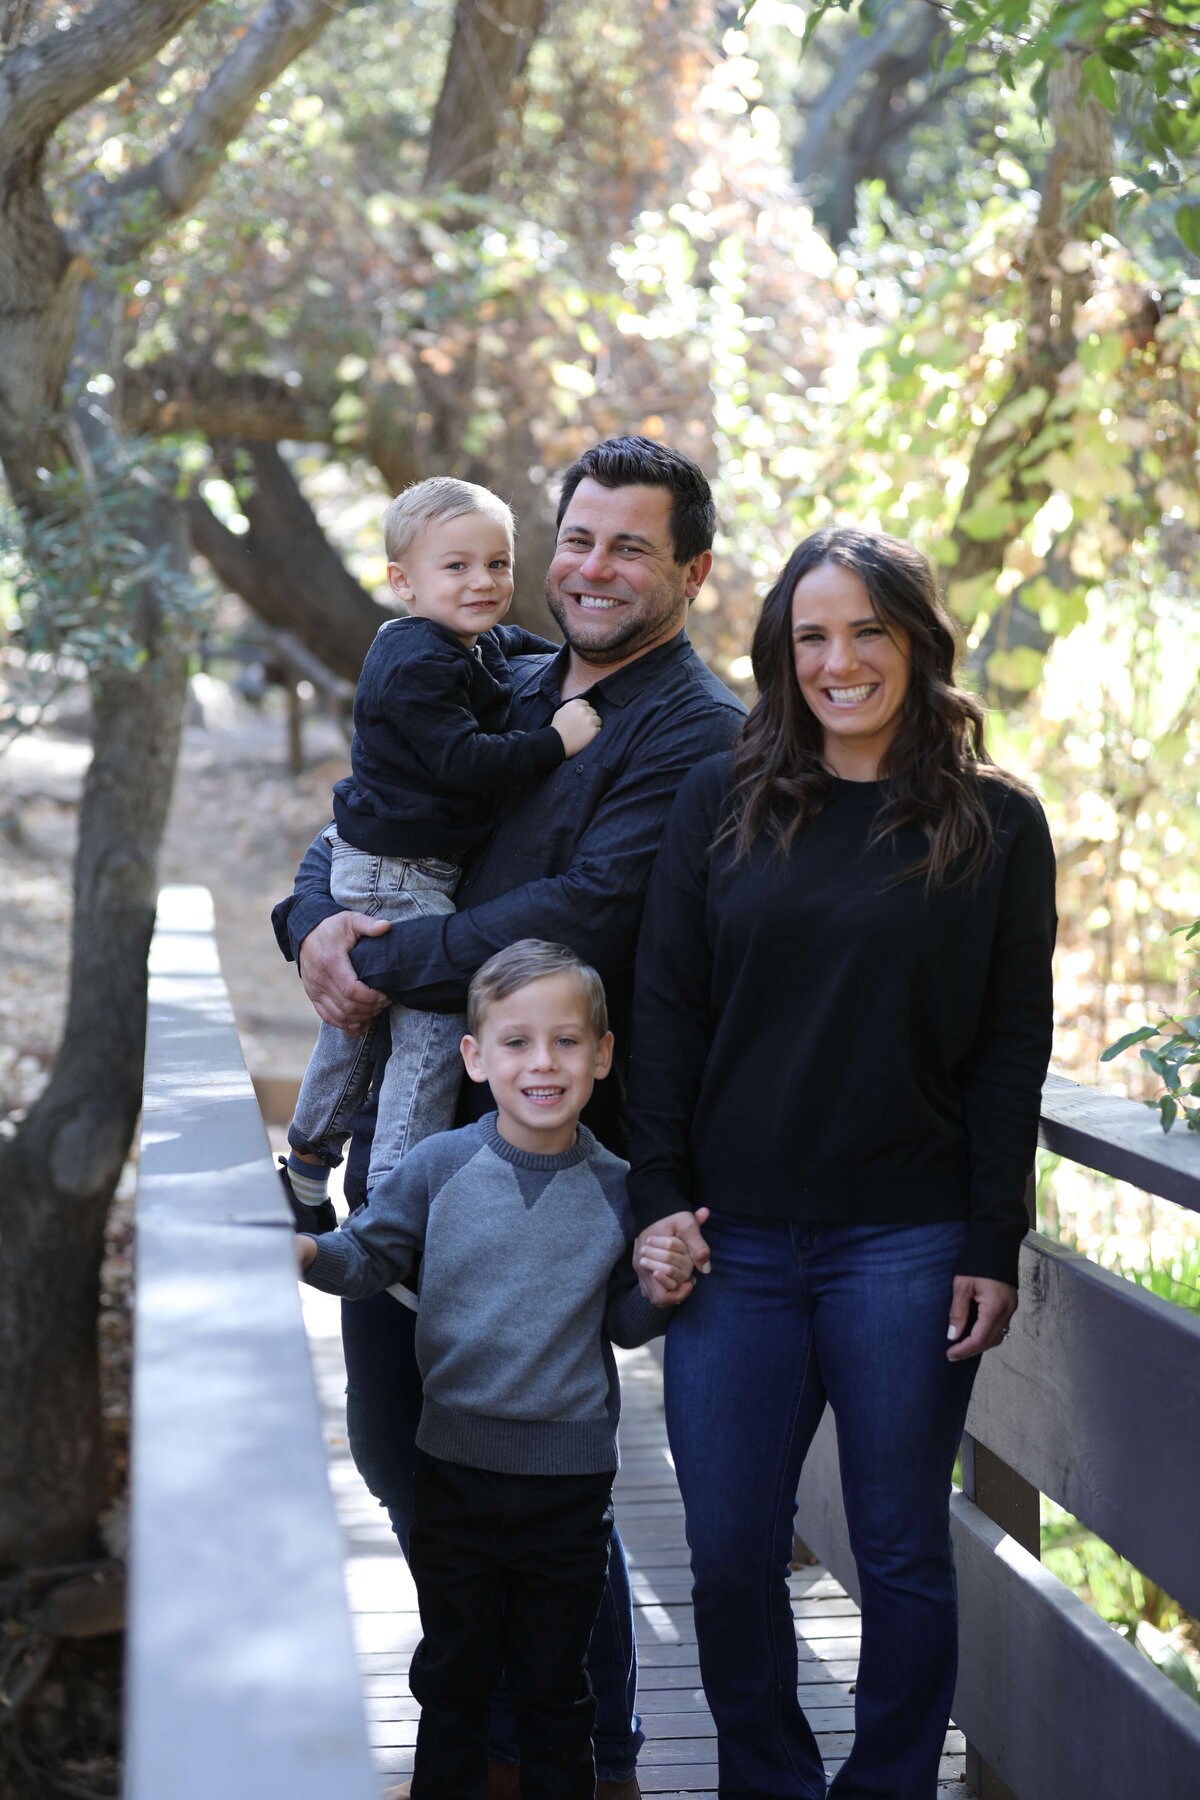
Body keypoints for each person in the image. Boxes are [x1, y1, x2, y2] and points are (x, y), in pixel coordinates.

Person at [272, 436, 746, 1799]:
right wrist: (315, 925)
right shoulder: (503, 668)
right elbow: (362, 818)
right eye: (579, 538)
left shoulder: (691, 735)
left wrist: (375, 961)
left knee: (526, 1476)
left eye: (631, 546)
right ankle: (485, 1727)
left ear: (693, 572)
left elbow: (585, 913)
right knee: (397, 1440)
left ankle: (584, 1753)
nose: (592, 567)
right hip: (417, 1150)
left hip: (544, 1159)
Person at [626, 527, 1057, 1800]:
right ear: (780, 653)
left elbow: (1007, 1052)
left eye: (869, 630)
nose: (840, 660)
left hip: (908, 1244)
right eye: (813, 635)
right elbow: (665, 1010)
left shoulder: (996, 824)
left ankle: (887, 1788)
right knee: (729, 1553)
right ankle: (768, 1781)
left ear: (919, 644)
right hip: (733, 1241)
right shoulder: (724, 799)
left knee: (903, 1550)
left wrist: (993, 1239)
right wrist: (657, 1200)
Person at [297, 941, 695, 1800]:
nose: (541, 1063)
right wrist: (304, 1251)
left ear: (602, 1054)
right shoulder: (440, 1167)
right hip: (454, 1471)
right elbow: (367, 1258)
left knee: (557, 1688)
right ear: (474, 1059)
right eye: (515, 1042)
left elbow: (623, 1324)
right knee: (453, 1677)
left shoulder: (621, 1188)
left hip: (570, 1484)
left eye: (565, 1042)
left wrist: (659, 1290)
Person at [283, 477, 600, 1223]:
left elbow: (508, 649)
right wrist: (557, 740)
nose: (483, 581)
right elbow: (464, 760)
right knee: (430, 1030)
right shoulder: (418, 664)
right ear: (404, 583)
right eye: (456, 567)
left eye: (497, 564)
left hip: (390, 863)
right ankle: (393, 1209)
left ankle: (305, 1165)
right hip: (398, 876)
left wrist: (559, 655)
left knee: (355, 1027)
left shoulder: (455, 644)